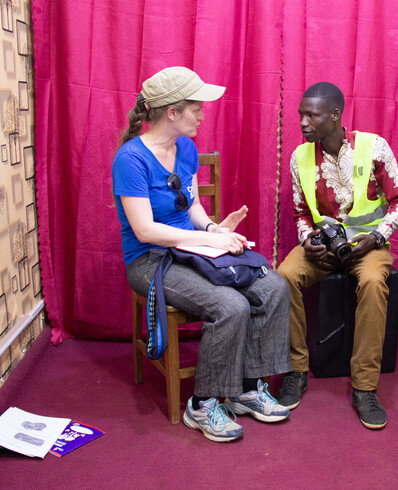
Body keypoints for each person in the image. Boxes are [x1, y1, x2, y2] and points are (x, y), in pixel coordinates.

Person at [112, 66, 291, 442]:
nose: (203, 114)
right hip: (150, 260)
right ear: (172, 113)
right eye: (197, 107)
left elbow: (191, 208)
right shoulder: (130, 160)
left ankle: (245, 388)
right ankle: (203, 404)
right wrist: (205, 241)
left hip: (190, 247)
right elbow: (145, 230)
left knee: (274, 286)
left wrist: (213, 229)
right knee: (230, 305)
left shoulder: (187, 148)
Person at [276, 82, 398, 429]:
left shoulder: (375, 146)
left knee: (373, 282)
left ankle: (365, 388)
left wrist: (378, 236)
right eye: (300, 114)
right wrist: (307, 240)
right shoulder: (298, 156)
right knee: (283, 277)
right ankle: (297, 370)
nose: (302, 122)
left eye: (311, 115)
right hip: (324, 246)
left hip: (368, 245)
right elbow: (300, 213)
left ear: (334, 115)